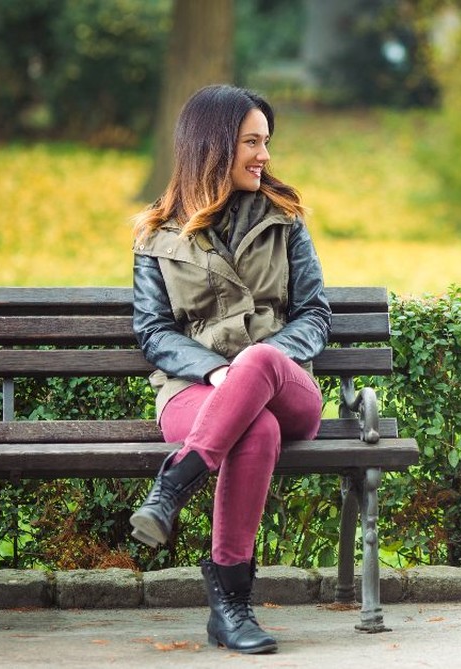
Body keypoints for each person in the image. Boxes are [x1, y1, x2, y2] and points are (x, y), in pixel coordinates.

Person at [128, 84, 332, 655]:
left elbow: (315, 313)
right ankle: (231, 609)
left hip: (286, 384)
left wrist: (254, 364)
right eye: (251, 142)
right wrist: (217, 373)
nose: (265, 155)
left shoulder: (285, 218)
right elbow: (153, 332)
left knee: (261, 359)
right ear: (212, 147)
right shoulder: (156, 234)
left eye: (267, 142)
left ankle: (175, 483)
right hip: (195, 391)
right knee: (255, 429)